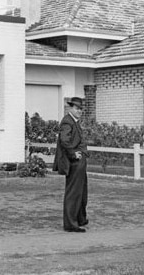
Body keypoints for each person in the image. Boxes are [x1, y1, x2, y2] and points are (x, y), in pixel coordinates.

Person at [53, 97, 89, 233]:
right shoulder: (67, 122)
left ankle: (80, 219)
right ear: (70, 108)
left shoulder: (74, 121)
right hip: (74, 163)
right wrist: (74, 154)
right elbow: (64, 140)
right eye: (77, 108)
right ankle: (70, 224)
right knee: (73, 193)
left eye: (81, 109)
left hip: (79, 162)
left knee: (81, 192)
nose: (79, 111)